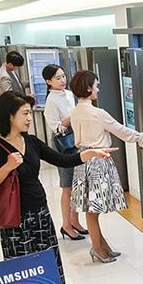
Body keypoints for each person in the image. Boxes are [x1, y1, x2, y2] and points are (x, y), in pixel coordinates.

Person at [0, 92, 112, 284]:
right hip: (14, 219)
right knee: (22, 271)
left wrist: (90, 153)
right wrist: (7, 167)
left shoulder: (31, 141)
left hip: (40, 213)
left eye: (30, 113)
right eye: (25, 113)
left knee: (48, 266)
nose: (30, 118)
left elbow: (62, 160)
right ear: (9, 115)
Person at [69, 70, 143, 263]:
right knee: (93, 211)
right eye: (96, 86)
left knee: (91, 210)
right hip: (98, 161)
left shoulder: (75, 112)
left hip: (82, 160)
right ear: (88, 88)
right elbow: (120, 130)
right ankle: (97, 248)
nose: (98, 89)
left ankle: (103, 247)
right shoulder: (97, 113)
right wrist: (142, 136)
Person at [42, 64, 87, 241]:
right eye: (57, 78)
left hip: (77, 142)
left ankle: (75, 221)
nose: (62, 80)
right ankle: (66, 225)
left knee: (78, 185)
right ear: (48, 81)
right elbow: (57, 129)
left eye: (63, 76)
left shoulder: (69, 94)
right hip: (64, 146)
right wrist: (72, 117)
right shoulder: (51, 101)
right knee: (67, 186)